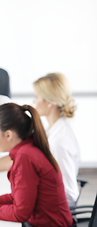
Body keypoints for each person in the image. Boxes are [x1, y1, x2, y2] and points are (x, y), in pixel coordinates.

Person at [33, 72, 80, 205]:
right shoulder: (51, 130)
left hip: (55, 217)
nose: (33, 101)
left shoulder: (60, 141)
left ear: (49, 102)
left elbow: (70, 194)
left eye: (36, 97)